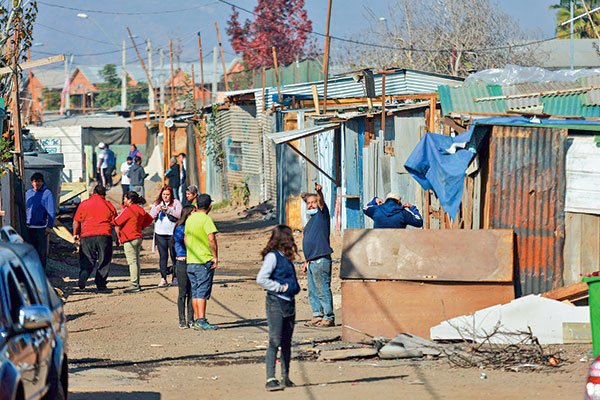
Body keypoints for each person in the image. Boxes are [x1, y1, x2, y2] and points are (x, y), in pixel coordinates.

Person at [256, 225, 301, 392]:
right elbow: (261, 279)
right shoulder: (272, 257)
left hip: (289, 303)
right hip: (276, 302)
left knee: (287, 342)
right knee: (275, 340)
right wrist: (279, 287)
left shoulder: (287, 258)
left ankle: (285, 377)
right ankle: (270, 378)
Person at [301, 182, 335, 328]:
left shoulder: (322, 215)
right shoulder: (310, 223)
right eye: (308, 203)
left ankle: (329, 316)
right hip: (311, 261)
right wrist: (305, 261)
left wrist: (319, 193)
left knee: (322, 289)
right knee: (313, 291)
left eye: (313, 202)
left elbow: (321, 202)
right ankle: (317, 315)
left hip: (321, 260)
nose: (311, 205)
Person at [72, 184, 117, 292]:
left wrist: (75, 233)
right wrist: (118, 237)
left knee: (87, 258)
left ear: (93, 193)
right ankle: (101, 283)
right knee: (104, 260)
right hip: (104, 235)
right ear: (104, 194)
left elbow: (76, 220)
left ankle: (84, 274)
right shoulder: (108, 205)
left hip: (87, 235)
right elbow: (115, 221)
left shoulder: (84, 204)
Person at [184, 194, 219, 330]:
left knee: (196, 291)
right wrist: (215, 256)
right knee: (203, 291)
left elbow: (186, 238)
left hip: (191, 261)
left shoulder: (190, 219)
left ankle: (197, 319)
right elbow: (211, 239)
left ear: (196, 205)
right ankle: (201, 319)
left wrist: (191, 251)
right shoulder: (206, 220)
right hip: (204, 261)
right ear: (210, 206)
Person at [115, 191, 154, 293]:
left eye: (125, 199)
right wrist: (141, 226)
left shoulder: (129, 210)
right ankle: (137, 283)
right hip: (138, 237)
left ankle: (134, 284)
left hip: (129, 238)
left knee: (132, 262)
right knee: (136, 262)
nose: (124, 201)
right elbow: (149, 219)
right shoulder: (140, 209)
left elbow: (117, 221)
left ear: (130, 200)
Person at [149, 185, 182, 287]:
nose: (165, 197)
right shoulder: (157, 203)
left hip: (172, 234)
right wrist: (157, 210)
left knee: (174, 256)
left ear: (171, 195)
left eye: (167, 194)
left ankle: (175, 277)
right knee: (163, 257)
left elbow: (180, 215)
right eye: (164, 194)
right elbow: (150, 217)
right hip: (160, 234)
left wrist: (168, 210)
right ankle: (163, 278)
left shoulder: (176, 203)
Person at [25, 172, 56, 270]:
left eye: (39, 181)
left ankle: (42, 273)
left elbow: (51, 211)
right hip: (29, 227)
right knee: (29, 252)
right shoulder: (28, 193)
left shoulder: (47, 193)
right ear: (31, 182)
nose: (37, 184)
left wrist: (49, 226)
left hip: (41, 228)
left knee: (41, 252)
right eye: (35, 181)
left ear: (42, 182)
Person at [172, 205, 196, 329]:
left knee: (192, 292)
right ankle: (182, 319)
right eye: (193, 213)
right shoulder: (180, 228)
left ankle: (191, 319)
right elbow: (181, 239)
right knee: (182, 292)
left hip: (193, 262)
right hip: (182, 262)